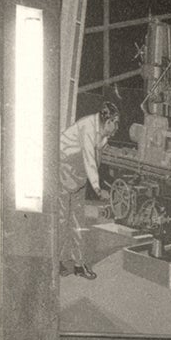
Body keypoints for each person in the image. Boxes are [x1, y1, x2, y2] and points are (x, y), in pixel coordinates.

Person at [58, 105, 119, 278]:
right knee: (62, 219)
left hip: (79, 174)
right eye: (116, 123)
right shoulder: (88, 127)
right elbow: (89, 160)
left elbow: (97, 155)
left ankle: (78, 264)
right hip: (64, 169)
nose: (117, 128)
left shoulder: (103, 134)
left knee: (78, 221)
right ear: (108, 121)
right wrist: (98, 189)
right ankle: (56, 261)